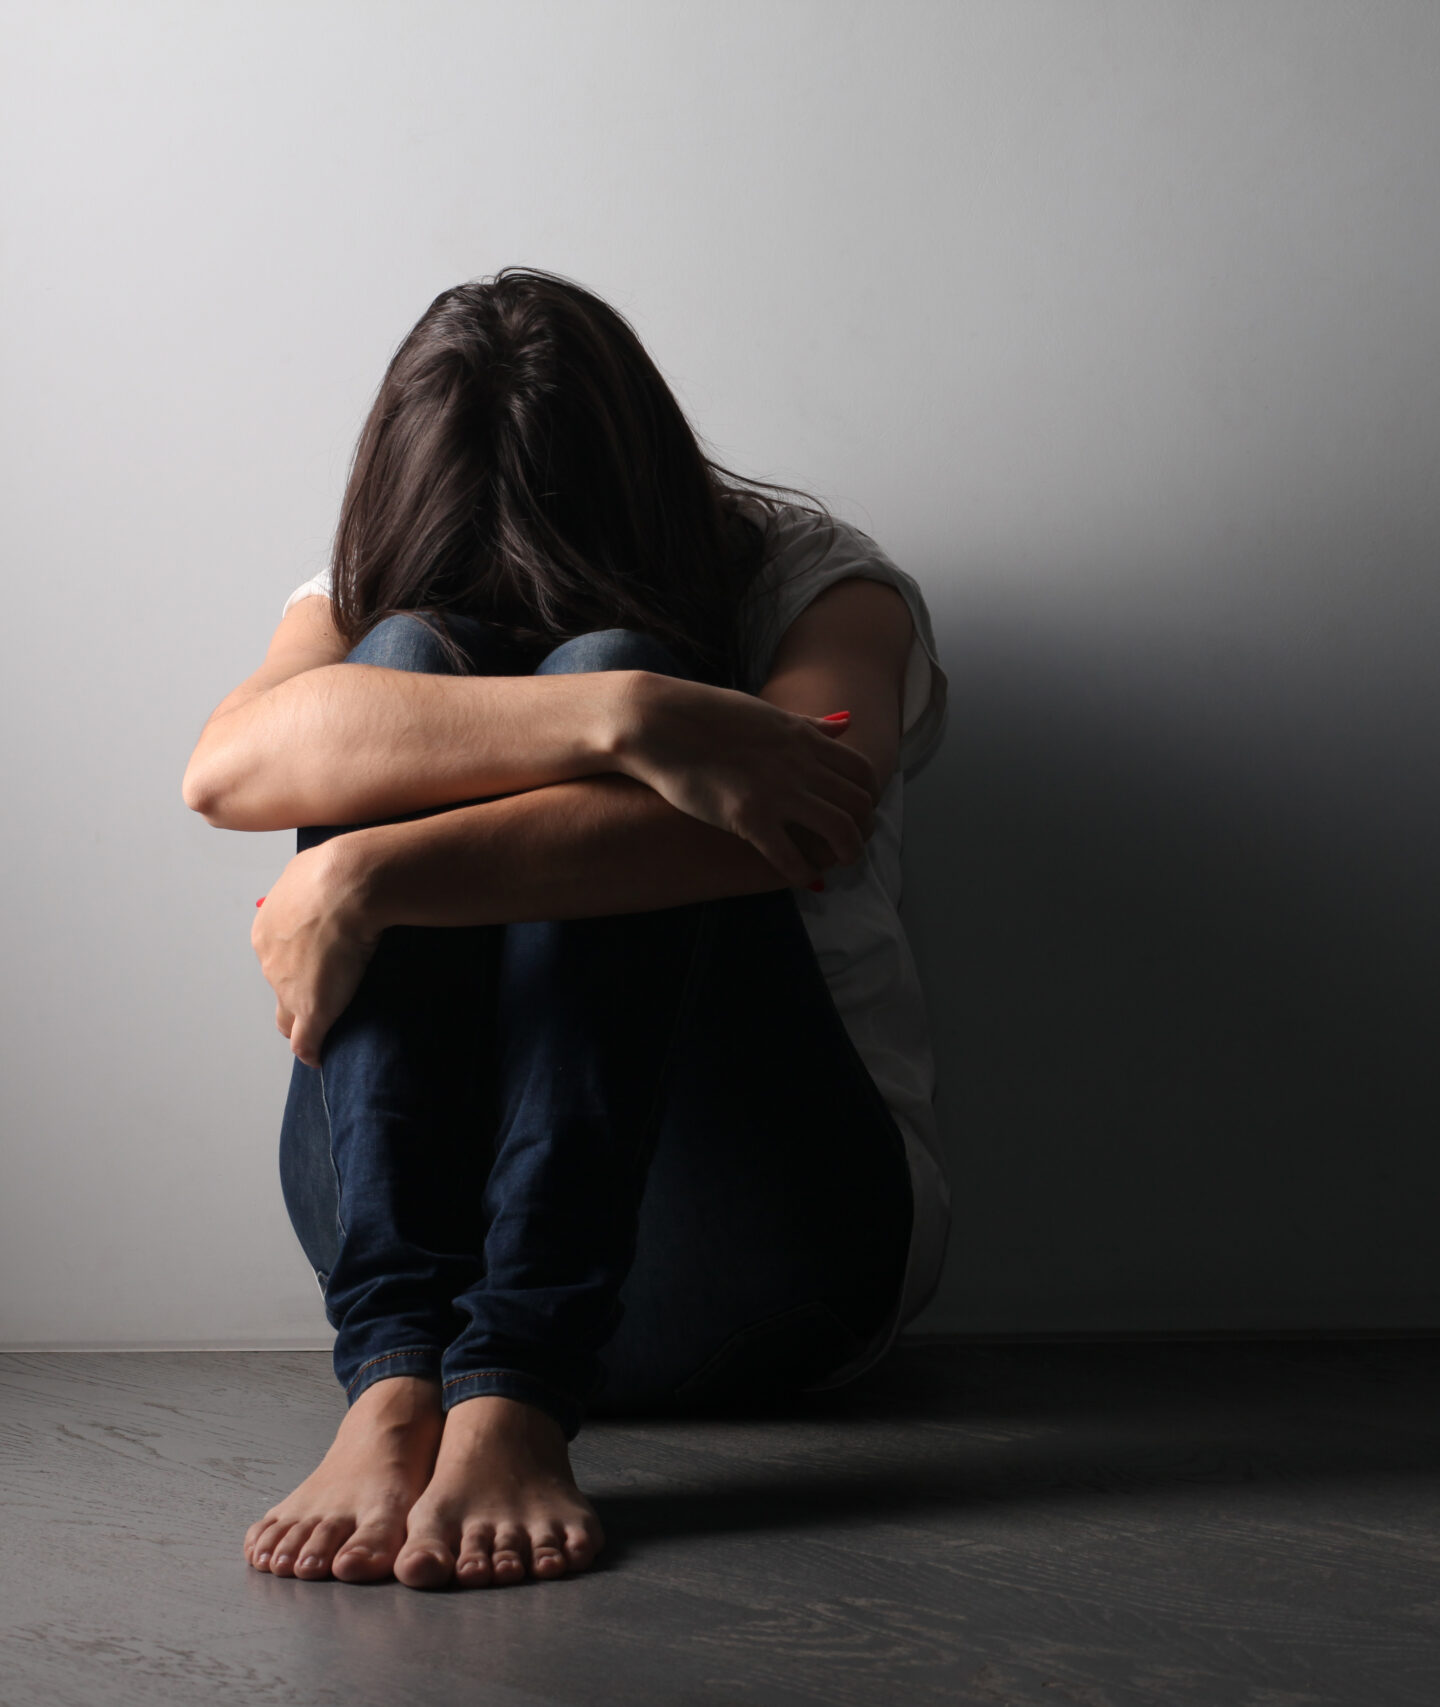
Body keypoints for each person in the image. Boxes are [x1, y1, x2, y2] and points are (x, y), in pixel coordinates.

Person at [181, 269, 949, 1590]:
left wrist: (368, 873)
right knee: (401, 665)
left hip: (752, 1264)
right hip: (402, 1276)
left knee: (590, 660)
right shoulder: (359, 590)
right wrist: (629, 723)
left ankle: (519, 1383)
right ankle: (397, 1389)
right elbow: (225, 772)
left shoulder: (827, 591)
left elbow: (810, 813)